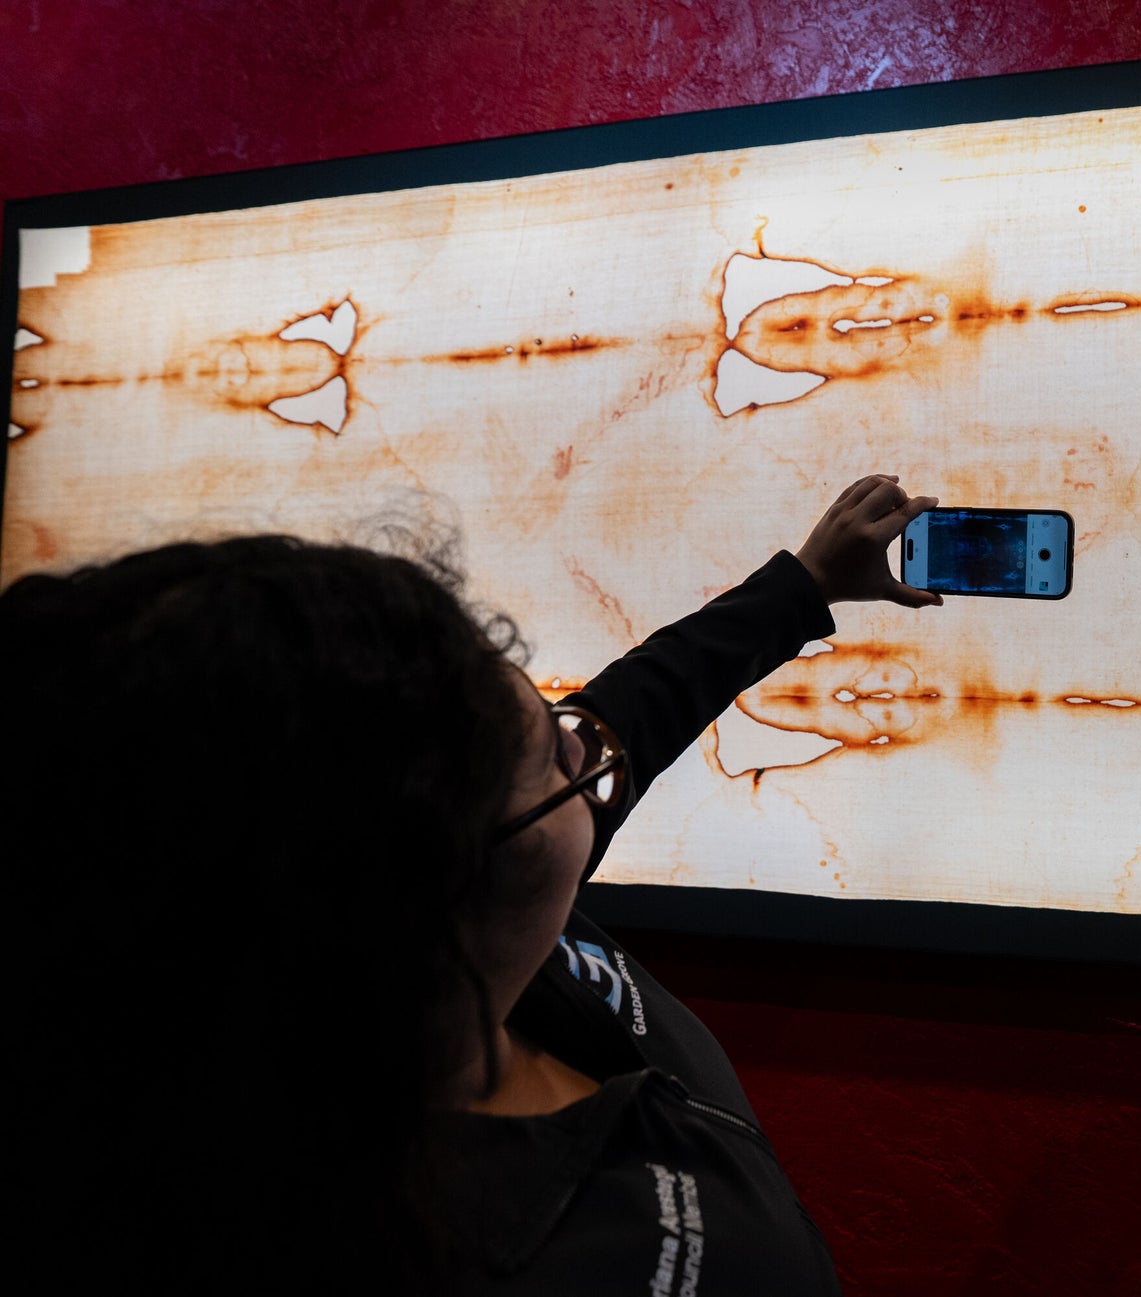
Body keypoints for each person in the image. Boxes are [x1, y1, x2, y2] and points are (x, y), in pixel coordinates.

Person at [3, 474, 940, 1294]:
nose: (581, 741)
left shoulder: (452, 907)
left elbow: (627, 714)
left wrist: (803, 587)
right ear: (428, 889)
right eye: (546, 755)